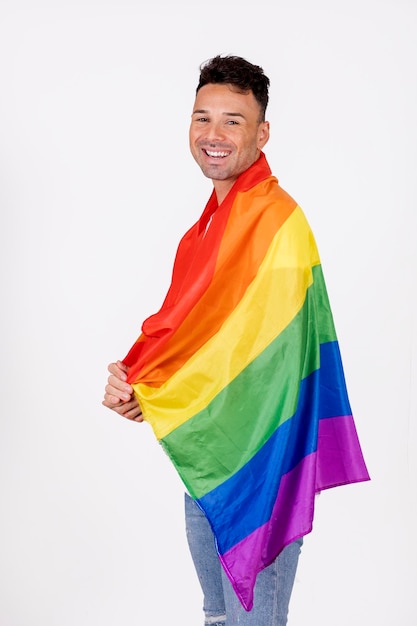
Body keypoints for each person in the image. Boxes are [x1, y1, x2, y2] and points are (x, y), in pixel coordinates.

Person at [103, 55, 369, 626]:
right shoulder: (203, 231)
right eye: (203, 119)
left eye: (232, 121)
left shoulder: (276, 224)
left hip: (262, 469)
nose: (213, 135)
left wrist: (154, 384)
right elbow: (187, 330)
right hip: (212, 464)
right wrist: (136, 378)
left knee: (254, 620)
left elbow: (262, 364)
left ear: (261, 132)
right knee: (218, 616)